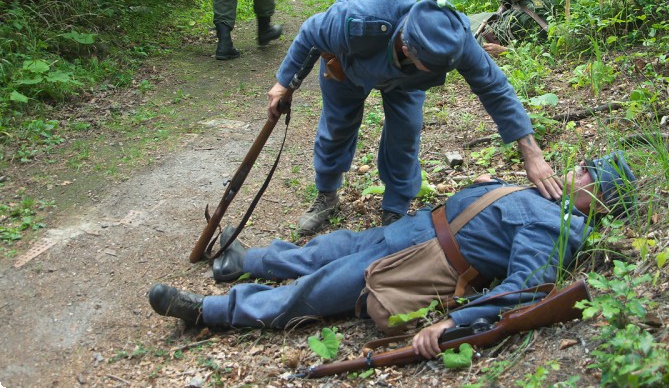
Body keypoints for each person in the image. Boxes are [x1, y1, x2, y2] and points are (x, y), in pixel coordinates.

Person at [149, 151, 637, 359]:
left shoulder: (556, 228)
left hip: (423, 259)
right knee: (327, 248)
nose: (577, 170)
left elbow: (525, 289)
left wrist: (454, 324)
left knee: (320, 289)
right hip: (417, 230)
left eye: (589, 173)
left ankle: (210, 312)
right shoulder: (542, 199)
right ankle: (244, 261)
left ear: (596, 197)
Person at [266, 0, 563, 235]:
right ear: (408, 48)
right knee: (338, 126)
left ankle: (395, 206)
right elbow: (310, 32)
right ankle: (327, 194)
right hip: (349, 63)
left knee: (405, 131)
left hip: (405, 79)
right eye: (432, 69)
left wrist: (531, 152)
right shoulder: (357, 19)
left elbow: (495, 87)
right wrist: (285, 83)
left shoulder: (451, 35)